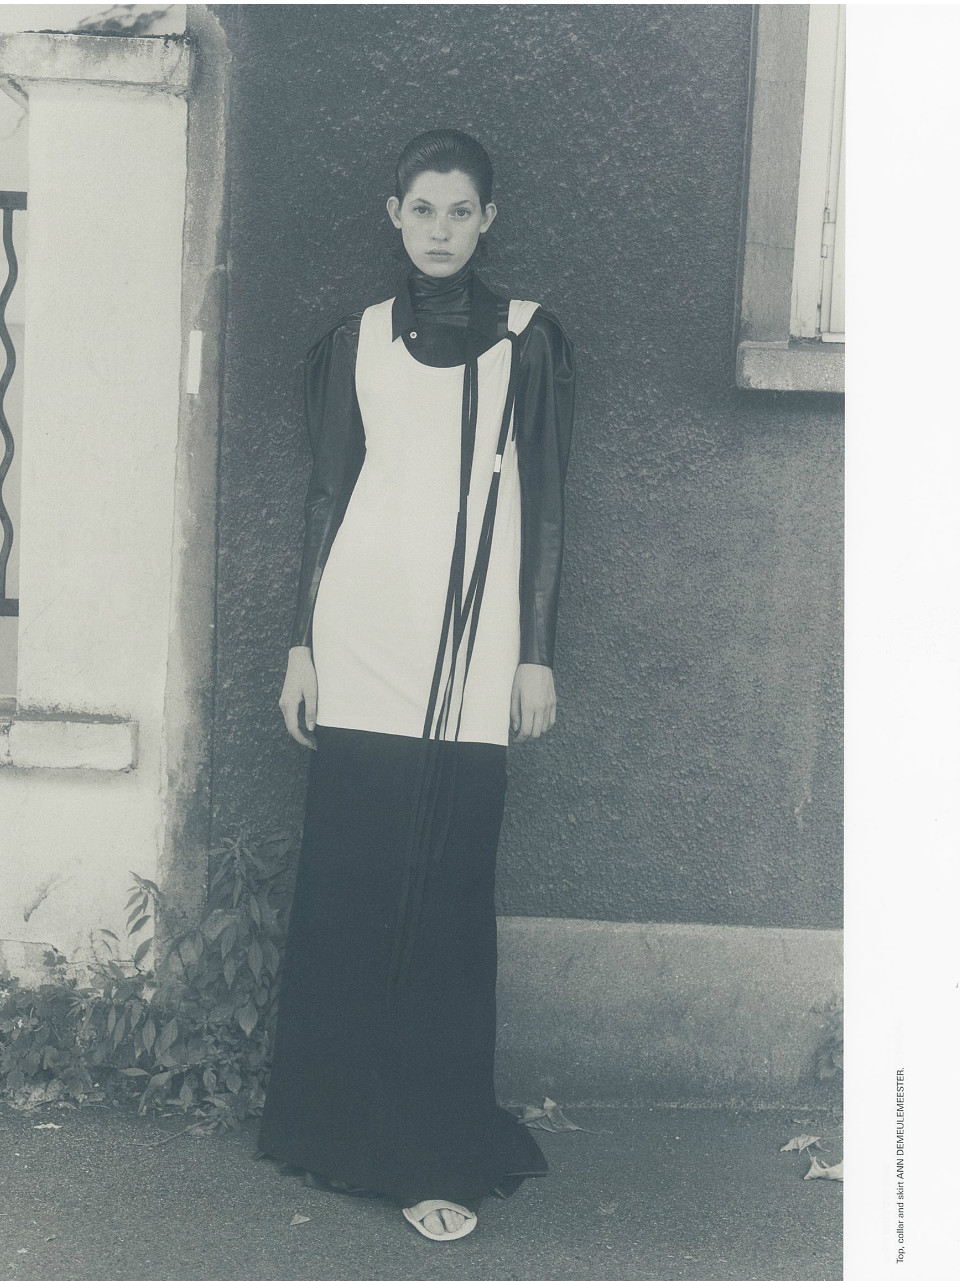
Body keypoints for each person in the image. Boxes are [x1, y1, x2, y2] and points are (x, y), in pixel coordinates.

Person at [257, 128, 575, 1243]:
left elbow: (548, 504)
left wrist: (536, 653)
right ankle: (335, 1128)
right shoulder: (352, 342)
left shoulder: (530, 341)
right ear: (395, 215)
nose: (441, 229)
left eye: (461, 211)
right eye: (423, 209)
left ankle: (432, 1147)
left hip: (474, 655)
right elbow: (326, 496)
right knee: (352, 887)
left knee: (442, 899)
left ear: (489, 220)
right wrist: (300, 646)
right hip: (361, 642)